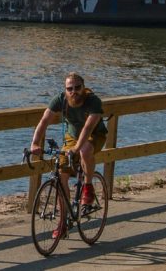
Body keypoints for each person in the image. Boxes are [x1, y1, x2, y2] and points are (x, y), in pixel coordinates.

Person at [29, 71, 107, 234]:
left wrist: (77, 148)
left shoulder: (93, 101)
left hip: (94, 135)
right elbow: (44, 120)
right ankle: (63, 221)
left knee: (85, 149)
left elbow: (88, 128)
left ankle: (88, 187)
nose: (73, 91)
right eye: (69, 88)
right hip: (72, 137)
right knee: (61, 174)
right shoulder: (60, 99)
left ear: (83, 87)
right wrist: (35, 142)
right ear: (65, 89)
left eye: (77, 87)